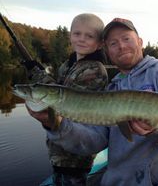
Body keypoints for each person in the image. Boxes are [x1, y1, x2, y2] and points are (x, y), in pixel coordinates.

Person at [28, 18, 158, 186]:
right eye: (113, 43)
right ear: (107, 52)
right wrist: (55, 124)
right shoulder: (111, 90)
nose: (121, 46)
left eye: (126, 39)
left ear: (140, 42)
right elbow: (93, 142)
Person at [27, 13, 108, 186]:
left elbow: (66, 104)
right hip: (59, 150)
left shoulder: (95, 69)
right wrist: (39, 73)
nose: (82, 39)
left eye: (89, 36)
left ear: (100, 43)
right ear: (70, 36)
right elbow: (57, 90)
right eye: (77, 34)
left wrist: (39, 75)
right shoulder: (68, 65)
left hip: (76, 154)